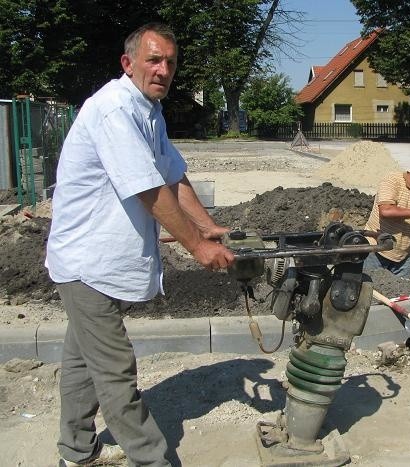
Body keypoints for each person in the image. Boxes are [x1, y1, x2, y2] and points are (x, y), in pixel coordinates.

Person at [45, 23, 235, 467]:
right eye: (154, 59)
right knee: (115, 372)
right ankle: (151, 459)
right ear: (128, 63)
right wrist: (196, 248)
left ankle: (75, 450)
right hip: (86, 261)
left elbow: (172, 175)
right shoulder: (115, 110)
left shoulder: (148, 110)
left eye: (170, 62)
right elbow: (147, 189)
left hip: (103, 261)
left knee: (80, 361)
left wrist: (208, 227)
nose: (163, 69)